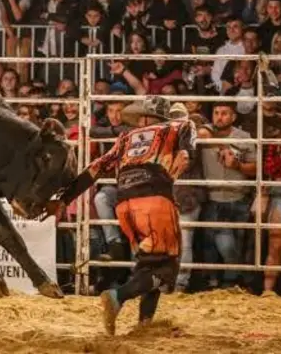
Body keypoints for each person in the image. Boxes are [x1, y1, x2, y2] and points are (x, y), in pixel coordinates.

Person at [53, 96, 196, 335]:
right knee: (166, 267)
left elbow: (96, 168)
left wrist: (64, 199)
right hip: (155, 199)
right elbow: (186, 142)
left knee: (148, 264)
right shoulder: (177, 126)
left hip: (125, 204)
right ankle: (117, 295)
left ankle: (144, 324)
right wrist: (185, 153)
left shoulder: (126, 138)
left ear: (143, 117)